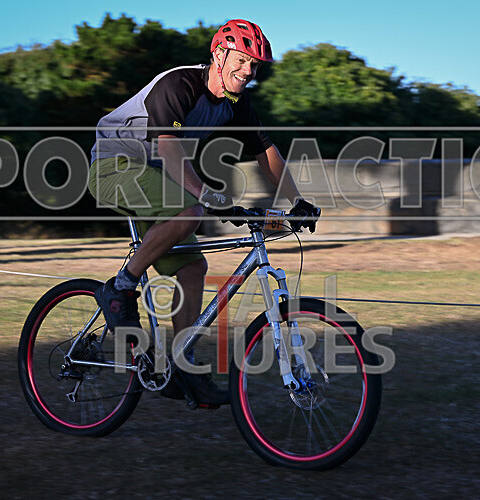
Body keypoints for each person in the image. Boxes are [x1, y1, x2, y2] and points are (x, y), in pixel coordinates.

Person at [88, 19, 320, 407]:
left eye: (255, 65)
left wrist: (297, 201)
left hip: (158, 176)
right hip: (114, 166)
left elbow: (265, 150)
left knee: (193, 268)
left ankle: (182, 363)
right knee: (191, 210)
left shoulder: (236, 102)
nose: (248, 71)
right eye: (243, 60)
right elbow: (167, 146)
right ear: (218, 54)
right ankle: (120, 289)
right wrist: (204, 193)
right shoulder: (180, 85)